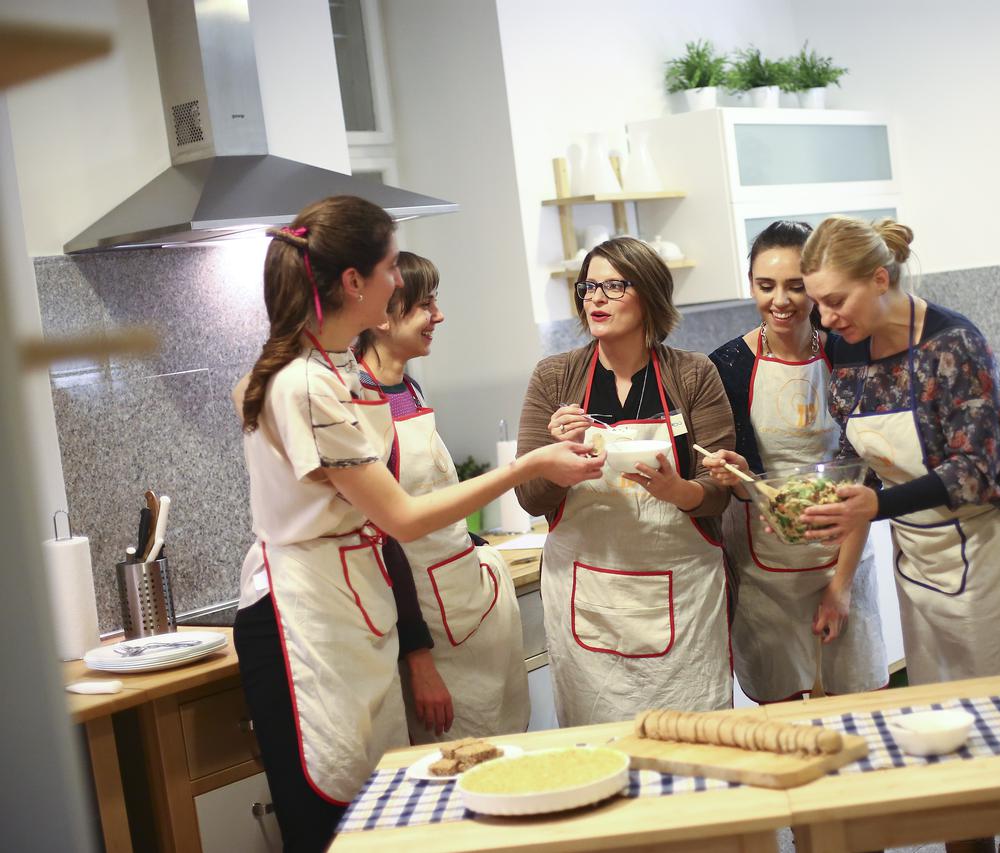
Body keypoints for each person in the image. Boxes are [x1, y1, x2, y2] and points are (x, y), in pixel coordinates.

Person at [232, 196, 602, 851]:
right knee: (337, 828)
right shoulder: (305, 383)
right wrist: (528, 467)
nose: (398, 281)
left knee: (381, 808)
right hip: (301, 623)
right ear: (353, 282)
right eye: (388, 268)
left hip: (349, 610)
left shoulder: (334, 366)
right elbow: (399, 515)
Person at [799, 215, 1000, 853]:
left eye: (835, 300)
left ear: (880, 278)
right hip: (920, 554)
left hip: (988, 546)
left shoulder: (953, 343)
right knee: (938, 733)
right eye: (816, 303)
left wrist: (872, 508)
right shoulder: (842, 351)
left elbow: (974, 466)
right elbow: (862, 468)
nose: (824, 319)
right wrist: (841, 578)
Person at [515, 236, 736, 727]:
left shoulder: (694, 375)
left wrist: (677, 490)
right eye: (588, 286)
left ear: (651, 294)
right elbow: (530, 498)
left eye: (614, 286)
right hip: (586, 594)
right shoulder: (555, 379)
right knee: (601, 744)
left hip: (682, 595)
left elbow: (718, 489)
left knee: (691, 738)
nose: (595, 298)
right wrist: (555, 461)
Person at [705, 221, 887, 703]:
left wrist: (841, 587)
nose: (780, 300)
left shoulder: (848, 352)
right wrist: (726, 473)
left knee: (859, 706)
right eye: (766, 286)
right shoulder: (726, 366)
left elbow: (868, 476)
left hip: (841, 555)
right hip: (764, 573)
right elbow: (722, 473)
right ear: (750, 285)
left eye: (795, 286)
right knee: (782, 716)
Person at [355, 251, 529, 743]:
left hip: (464, 601)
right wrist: (419, 658)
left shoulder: (405, 388)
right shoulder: (358, 402)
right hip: (425, 624)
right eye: (425, 305)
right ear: (385, 315)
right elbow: (383, 539)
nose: (439, 316)